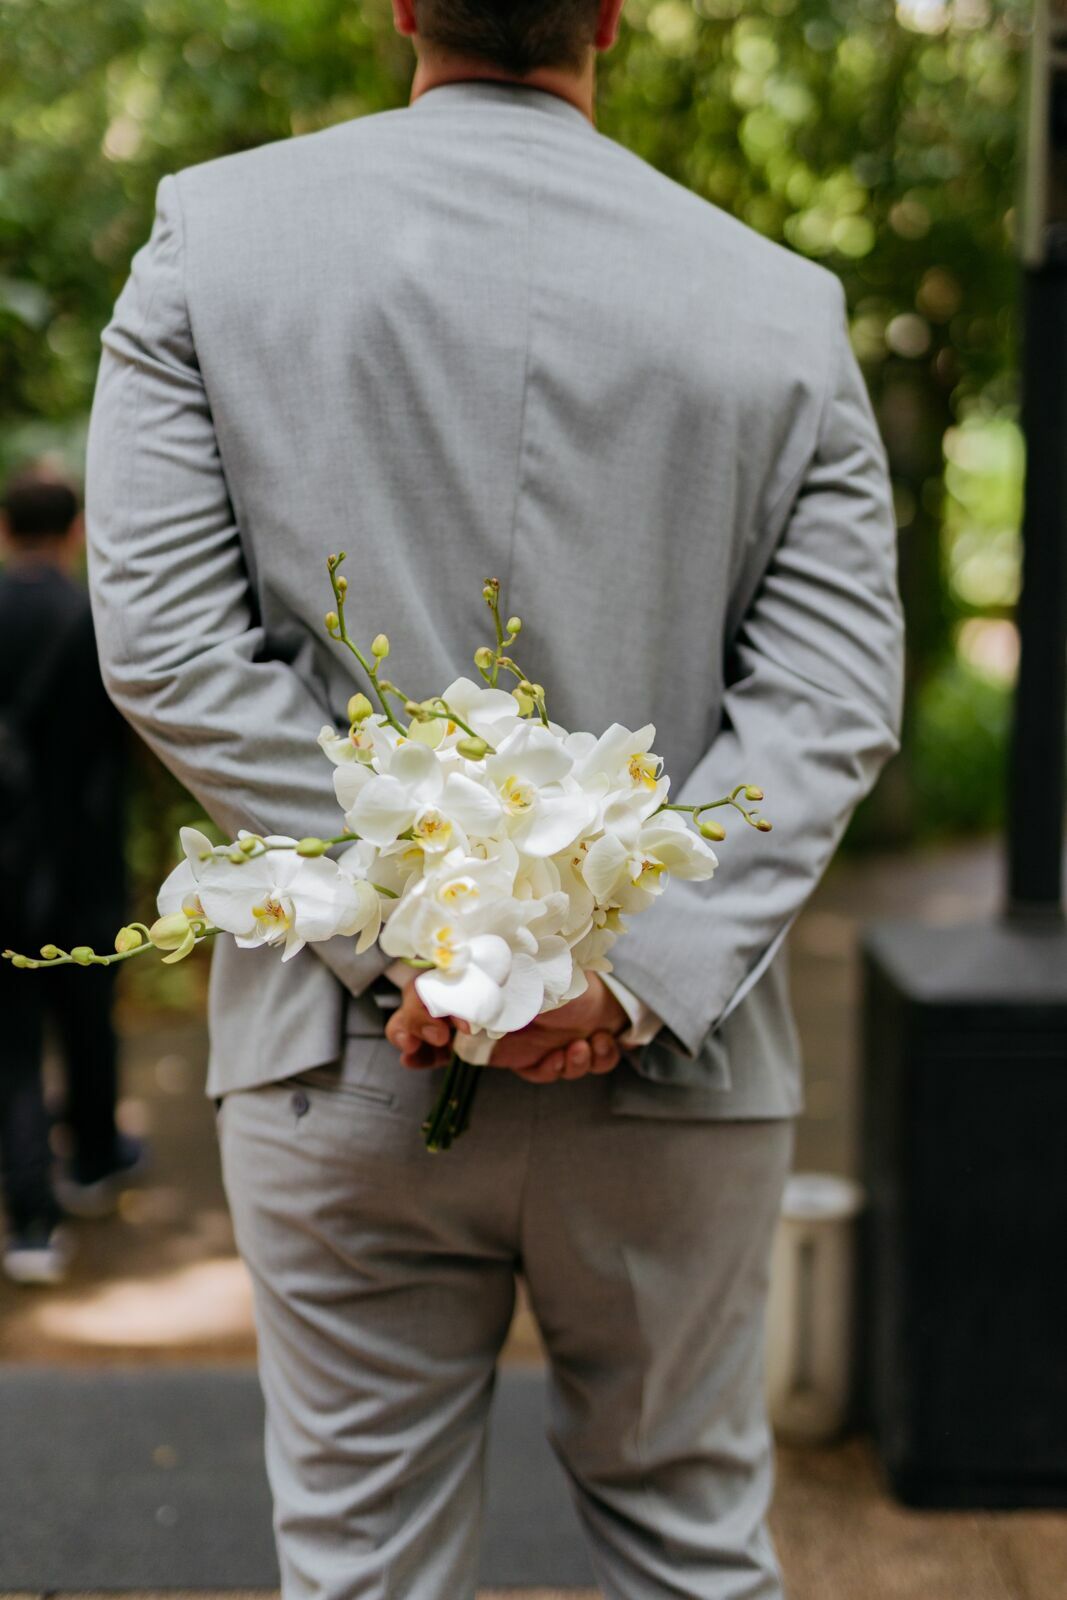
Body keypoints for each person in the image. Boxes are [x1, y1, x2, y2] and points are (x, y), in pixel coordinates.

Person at [83, 0, 904, 1592]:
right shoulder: (780, 308)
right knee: (690, 1547)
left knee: (363, 1564)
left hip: (344, 1051)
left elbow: (171, 650)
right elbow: (826, 700)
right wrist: (622, 976)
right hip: (675, 1072)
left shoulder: (214, 242)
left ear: (400, 4)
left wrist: (424, 946)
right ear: (607, 14)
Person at [0, 466, 142, 1286]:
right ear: (77, 531)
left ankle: (29, 1221)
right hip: (82, 859)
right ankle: (93, 1160)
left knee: (11, 1037)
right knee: (89, 1015)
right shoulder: (96, 622)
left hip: (2, 867)